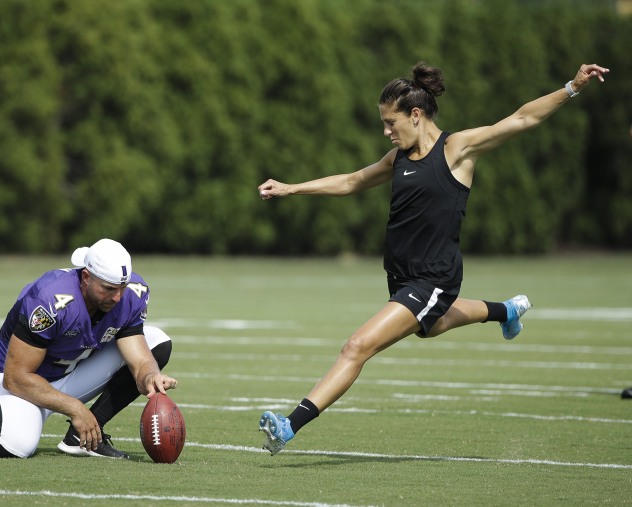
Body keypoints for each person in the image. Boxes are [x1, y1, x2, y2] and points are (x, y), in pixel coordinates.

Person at [256, 62, 609, 454]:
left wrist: (572, 87)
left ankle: (289, 425)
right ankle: (504, 311)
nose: (386, 132)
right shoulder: (398, 159)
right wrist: (291, 188)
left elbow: (522, 119)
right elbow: (353, 181)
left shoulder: (456, 149)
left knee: (357, 347)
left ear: (416, 115)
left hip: (433, 277)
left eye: (391, 123)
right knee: (433, 325)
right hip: (403, 277)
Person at [0, 238, 177, 458]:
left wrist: (149, 376)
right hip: (18, 380)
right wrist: (76, 409)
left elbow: (139, 357)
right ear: (86, 277)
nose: (117, 297)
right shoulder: (49, 299)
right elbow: (16, 378)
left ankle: (83, 437)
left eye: (122, 288)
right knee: (15, 446)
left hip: (69, 372)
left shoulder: (131, 294)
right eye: (108, 288)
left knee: (156, 341)